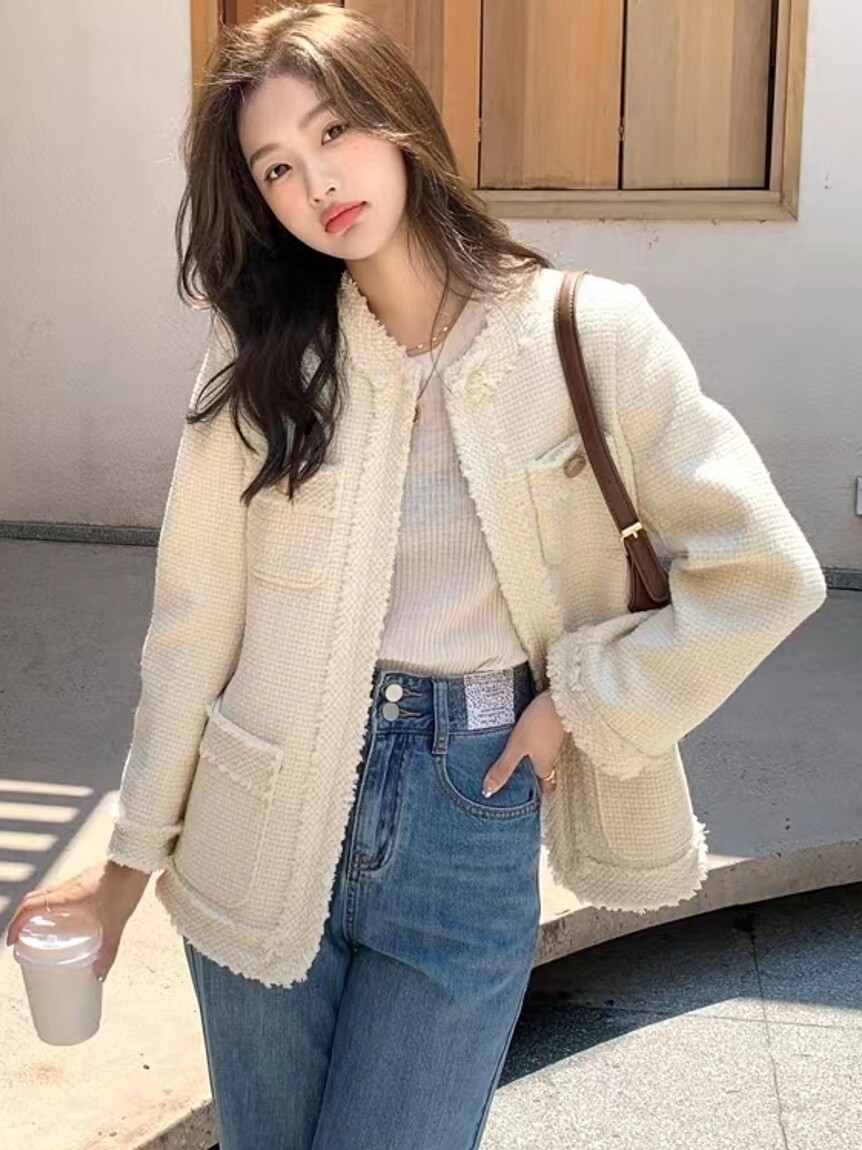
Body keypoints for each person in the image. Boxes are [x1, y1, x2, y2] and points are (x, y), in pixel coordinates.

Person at [6, 4, 827, 1148]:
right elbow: (193, 628)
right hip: (259, 813)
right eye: (276, 167)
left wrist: (580, 703)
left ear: (397, 120)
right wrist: (125, 866)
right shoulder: (263, 358)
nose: (317, 182)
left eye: (333, 132)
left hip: (467, 807)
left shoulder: (586, 333)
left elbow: (765, 570)